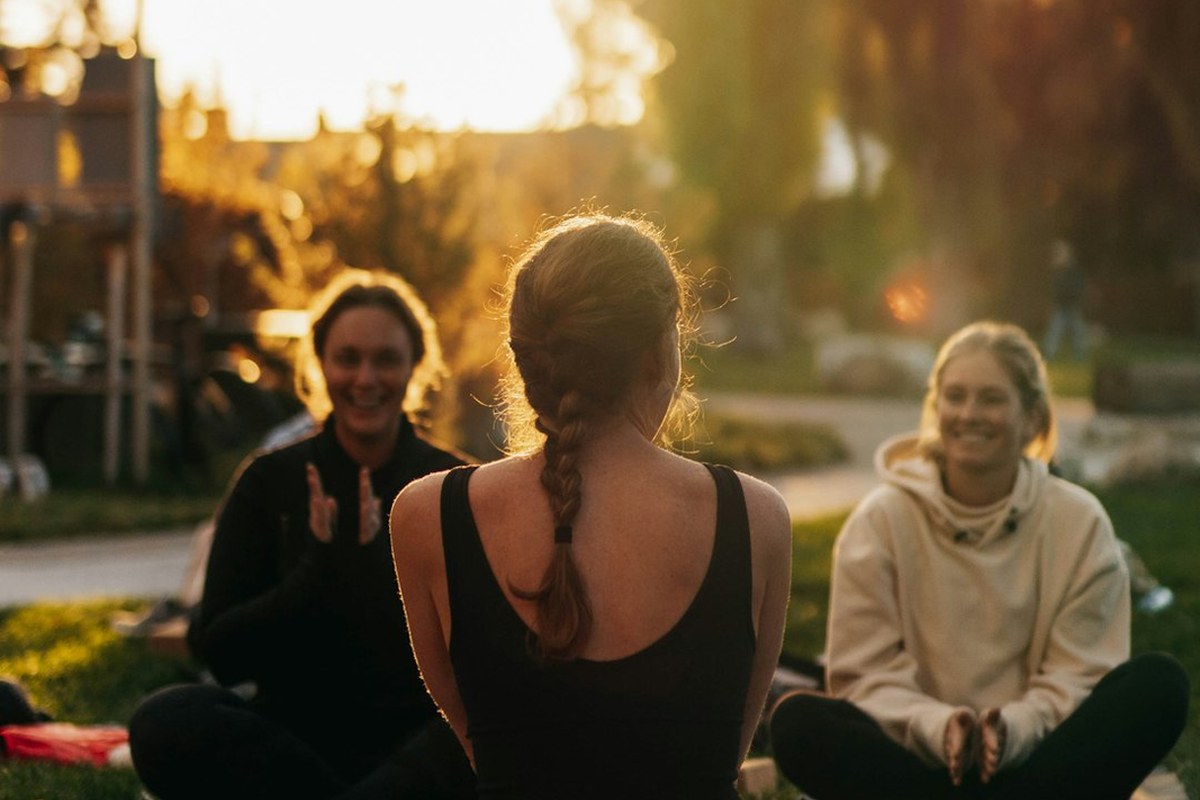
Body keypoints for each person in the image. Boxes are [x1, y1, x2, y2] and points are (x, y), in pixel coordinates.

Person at [390, 213, 793, 799]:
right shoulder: (755, 519)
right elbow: (719, 760)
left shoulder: (427, 516)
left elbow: (487, 747)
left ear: (525, 359)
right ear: (660, 355)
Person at [768, 320, 1189, 800]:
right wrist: (940, 727)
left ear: (1032, 417)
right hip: (917, 763)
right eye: (955, 396)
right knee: (799, 722)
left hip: (1041, 761)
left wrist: (1011, 730)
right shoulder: (880, 521)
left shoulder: (1078, 520)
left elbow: (1082, 673)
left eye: (991, 398)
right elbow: (865, 675)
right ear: (936, 408)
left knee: (1159, 685)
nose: (970, 413)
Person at [128, 270, 477, 800]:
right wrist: (315, 573)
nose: (366, 378)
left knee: (481, 736)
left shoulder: (454, 486)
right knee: (163, 719)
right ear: (320, 365)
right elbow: (219, 652)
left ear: (414, 367)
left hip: (411, 744)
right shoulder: (269, 481)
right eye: (348, 358)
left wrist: (373, 569)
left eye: (385, 359)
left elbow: (481, 664)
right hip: (292, 744)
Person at [1042, 239, 1089, 361]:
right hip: (1061, 306)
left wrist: (1076, 296)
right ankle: (1049, 353)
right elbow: (1054, 288)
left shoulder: (1073, 270)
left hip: (1073, 305)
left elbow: (1079, 285)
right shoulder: (1056, 271)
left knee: (1078, 332)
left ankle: (1080, 354)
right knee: (1055, 330)